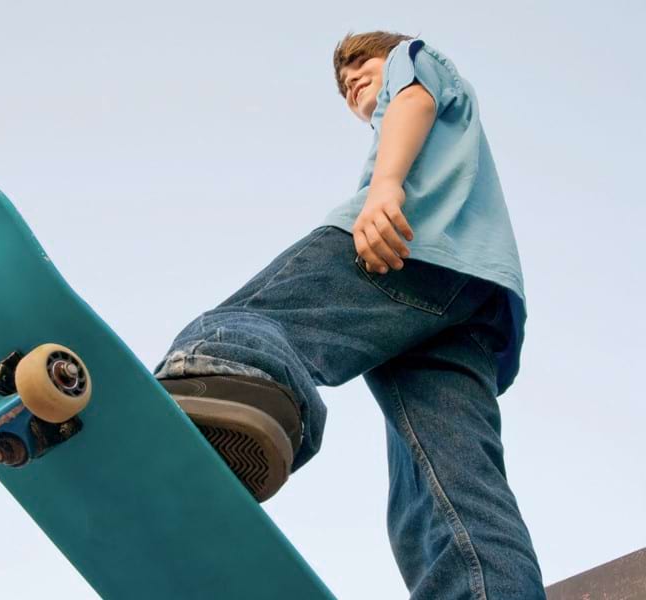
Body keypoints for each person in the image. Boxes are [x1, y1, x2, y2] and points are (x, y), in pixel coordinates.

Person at [153, 29, 547, 598]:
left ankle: (234, 386)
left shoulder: (416, 62)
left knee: (247, 330)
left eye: (363, 66)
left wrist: (383, 187)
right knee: (452, 490)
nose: (352, 81)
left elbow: (412, 98)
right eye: (343, 84)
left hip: (405, 247)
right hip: (471, 304)